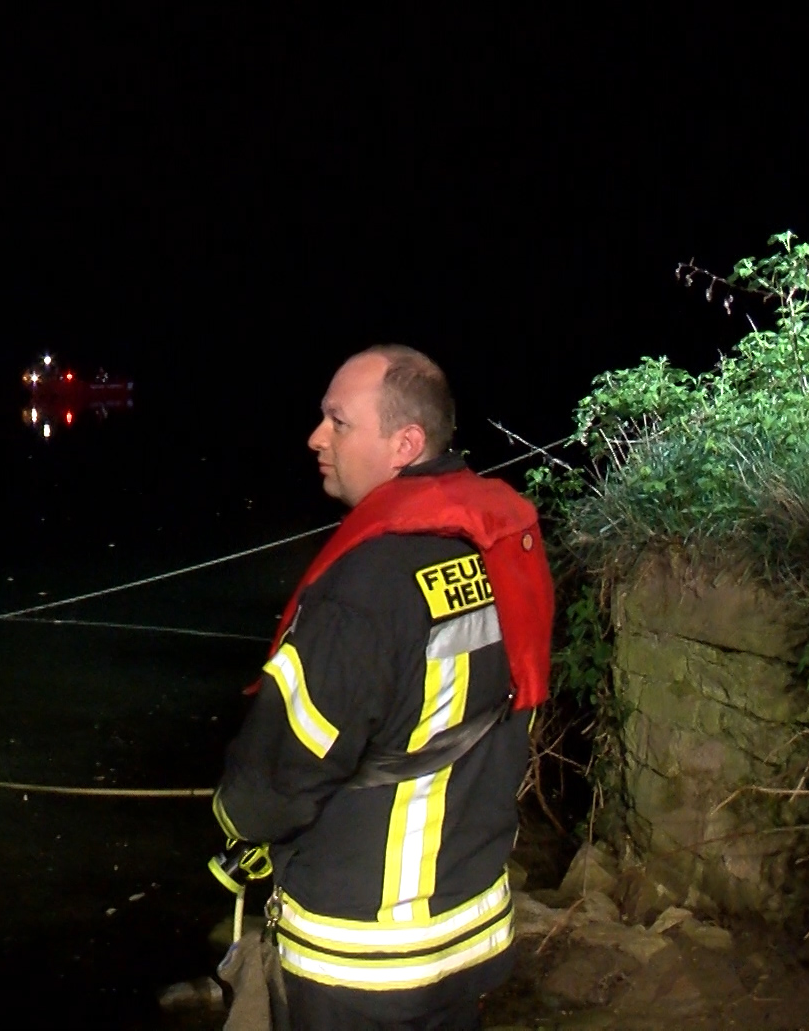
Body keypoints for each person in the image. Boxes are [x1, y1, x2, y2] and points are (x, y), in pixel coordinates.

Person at [211, 346, 554, 1030]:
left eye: (338, 422)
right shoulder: (502, 546)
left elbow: (276, 778)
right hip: (468, 929)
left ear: (406, 444)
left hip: (362, 955)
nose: (316, 438)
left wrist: (236, 827)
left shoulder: (364, 588)